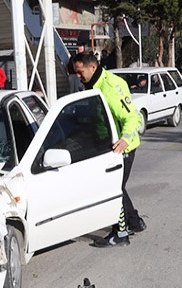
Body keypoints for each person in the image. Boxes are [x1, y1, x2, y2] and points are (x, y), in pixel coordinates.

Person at [72, 52, 146, 247]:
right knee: (118, 186)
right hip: (105, 147)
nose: (78, 77)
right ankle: (134, 222)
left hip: (122, 147)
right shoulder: (92, 86)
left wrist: (124, 139)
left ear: (93, 67)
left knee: (113, 189)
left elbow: (132, 117)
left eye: (80, 73)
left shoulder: (110, 87)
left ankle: (120, 233)